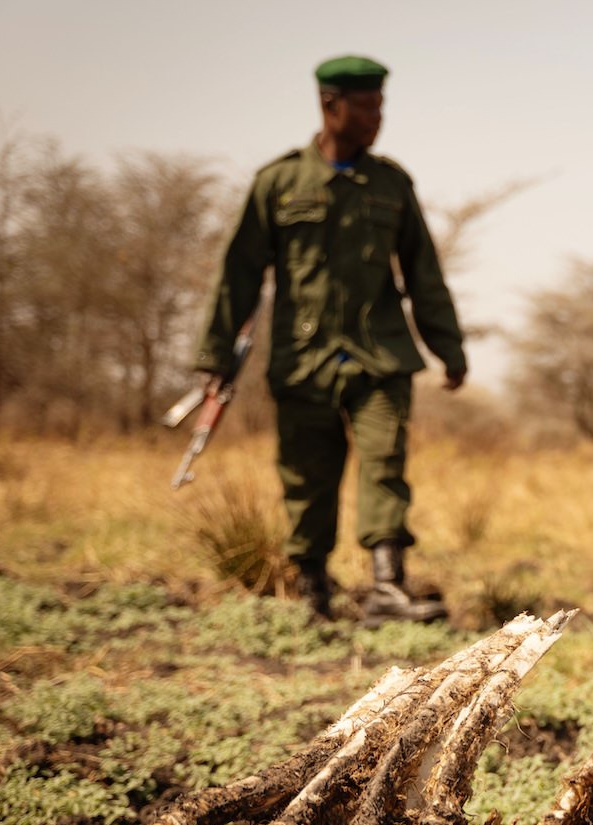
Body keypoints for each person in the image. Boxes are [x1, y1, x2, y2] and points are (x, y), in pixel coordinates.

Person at [195, 55, 464, 623]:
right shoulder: (278, 182)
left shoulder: (391, 184)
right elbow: (238, 273)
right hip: (303, 358)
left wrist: (450, 349)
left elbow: (424, 274)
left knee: (384, 462)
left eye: (381, 106)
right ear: (329, 104)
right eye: (365, 107)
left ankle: (387, 586)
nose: (376, 118)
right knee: (306, 474)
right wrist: (215, 354)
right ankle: (312, 587)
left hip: (380, 355)